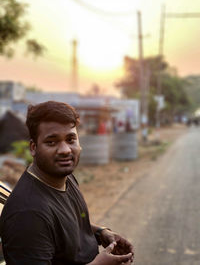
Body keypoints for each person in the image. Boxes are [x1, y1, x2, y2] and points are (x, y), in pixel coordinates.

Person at [0, 101, 134, 265]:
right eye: (52, 142)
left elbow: (68, 223)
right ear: (33, 148)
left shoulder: (63, 176)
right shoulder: (28, 214)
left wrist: (101, 233)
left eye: (71, 139)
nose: (65, 150)